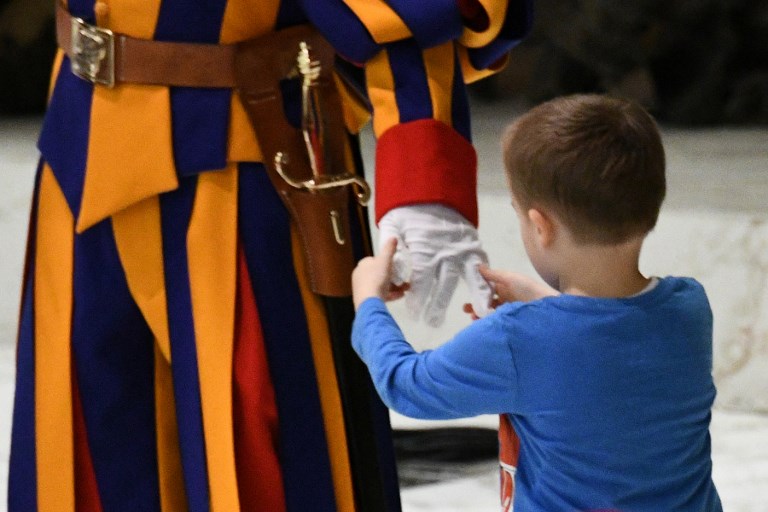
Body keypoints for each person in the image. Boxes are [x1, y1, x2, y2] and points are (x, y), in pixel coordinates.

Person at [8, 1, 533, 511]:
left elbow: (404, 13)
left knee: (263, 458)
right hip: (76, 146)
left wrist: (421, 166)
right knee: (82, 454)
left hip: (247, 161)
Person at [351, 94, 723, 511]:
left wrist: (368, 303)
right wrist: (542, 302)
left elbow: (407, 386)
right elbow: (608, 346)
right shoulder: (689, 307)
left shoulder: (518, 338)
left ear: (539, 226)